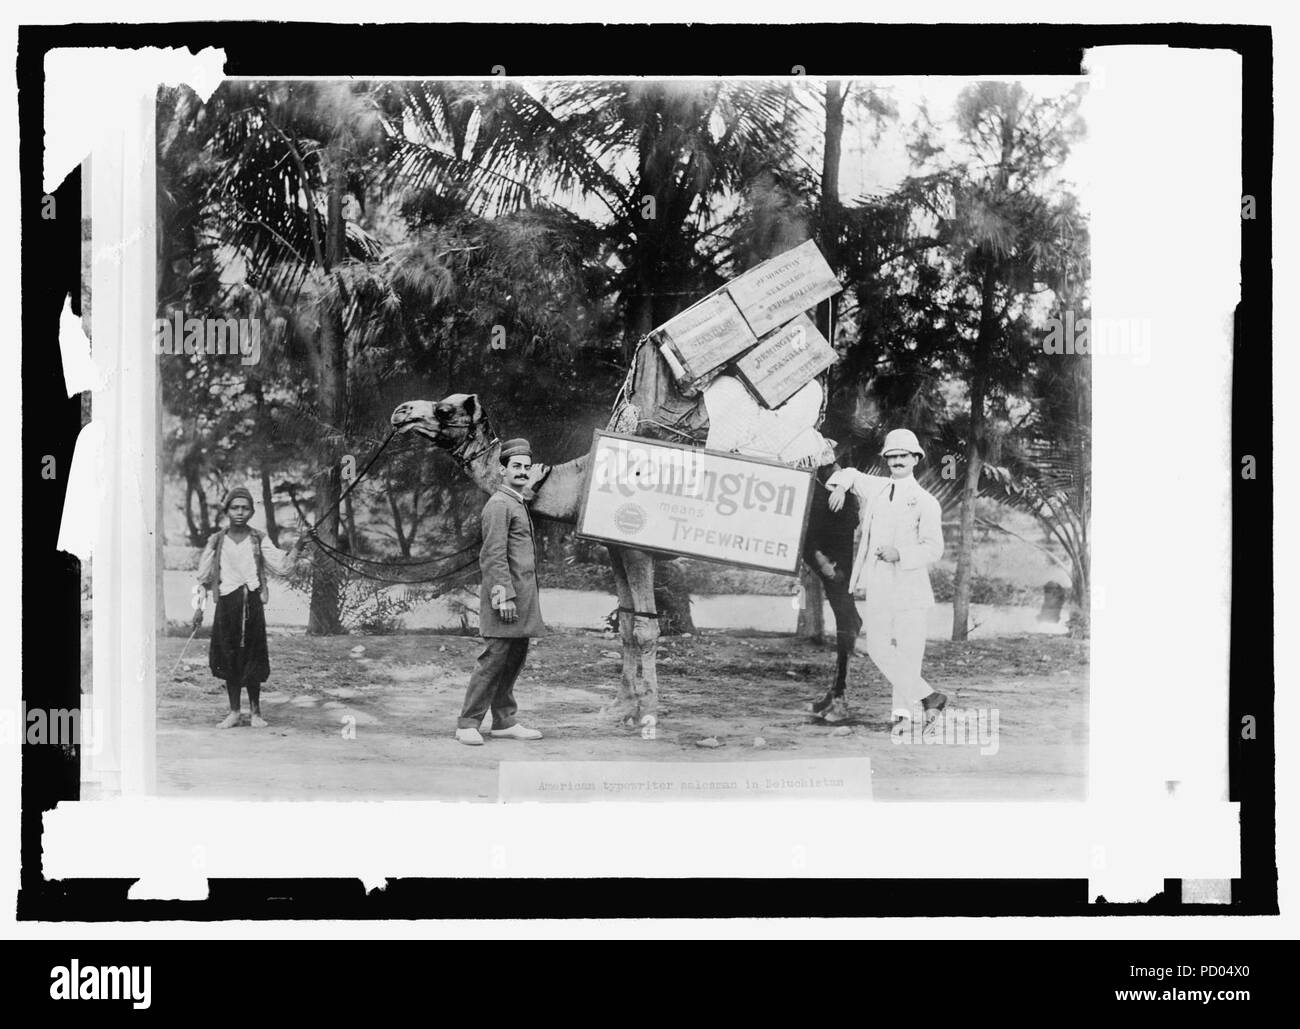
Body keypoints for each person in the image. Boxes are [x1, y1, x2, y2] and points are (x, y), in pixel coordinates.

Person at [826, 429, 947, 725]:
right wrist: (841, 488)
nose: (897, 461)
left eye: (903, 456)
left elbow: (934, 548)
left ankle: (903, 716)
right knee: (878, 647)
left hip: (911, 586)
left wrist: (902, 554)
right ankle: (929, 696)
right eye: (891, 456)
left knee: (908, 651)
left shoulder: (926, 501)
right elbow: (850, 473)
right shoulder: (877, 488)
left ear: (916, 458)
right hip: (879, 582)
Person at [194, 486, 311, 729]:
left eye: (244, 508)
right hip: (226, 605)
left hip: (252, 605)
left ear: (251, 511)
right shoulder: (216, 540)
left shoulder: (259, 538)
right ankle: (234, 712)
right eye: (234, 507)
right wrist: (198, 608)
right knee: (229, 657)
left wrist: (298, 546)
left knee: (253, 657)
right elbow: (203, 577)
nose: (239, 512)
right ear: (226, 510)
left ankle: (256, 712)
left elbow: (282, 566)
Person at [456, 438, 547, 746]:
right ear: (502, 469)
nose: (521, 472)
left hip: (522, 597)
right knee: (494, 659)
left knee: (514, 659)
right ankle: (468, 722)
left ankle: (504, 720)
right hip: (506, 597)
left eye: (526, 467)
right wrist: (502, 595)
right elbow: (492, 555)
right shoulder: (498, 505)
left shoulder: (517, 502)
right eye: (515, 467)